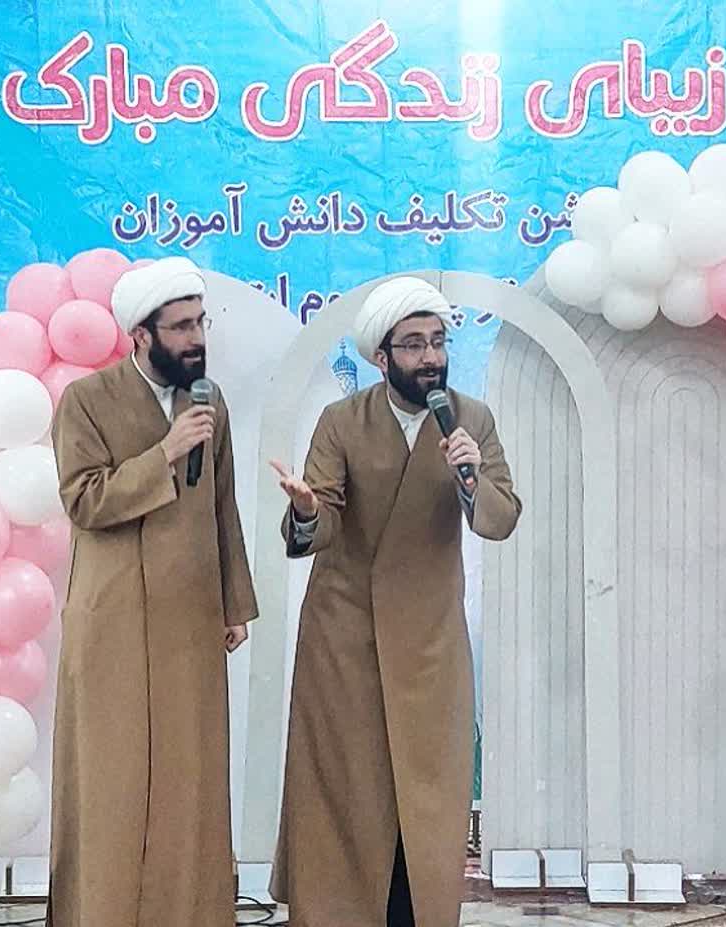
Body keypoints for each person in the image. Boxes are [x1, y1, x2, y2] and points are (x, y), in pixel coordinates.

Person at [269, 276, 522, 927]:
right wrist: (306, 509)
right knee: (348, 788)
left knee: (425, 791)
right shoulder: (342, 421)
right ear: (381, 357)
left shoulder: (471, 419)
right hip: (345, 634)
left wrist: (471, 477)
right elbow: (321, 522)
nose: (431, 356)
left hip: (430, 639)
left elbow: (499, 519)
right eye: (413, 344)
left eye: (438, 341)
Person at [48, 255, 257, 927]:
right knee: (110, 780)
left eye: (201, 323)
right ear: (141, 335)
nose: (196, 339)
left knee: (188, 781)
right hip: (111, 620)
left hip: (189, 619)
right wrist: (164, 451)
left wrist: (233, 602)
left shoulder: (209, 402)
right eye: (181, 327)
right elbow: (84, 501)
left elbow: (222, 505)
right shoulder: (86, 400)